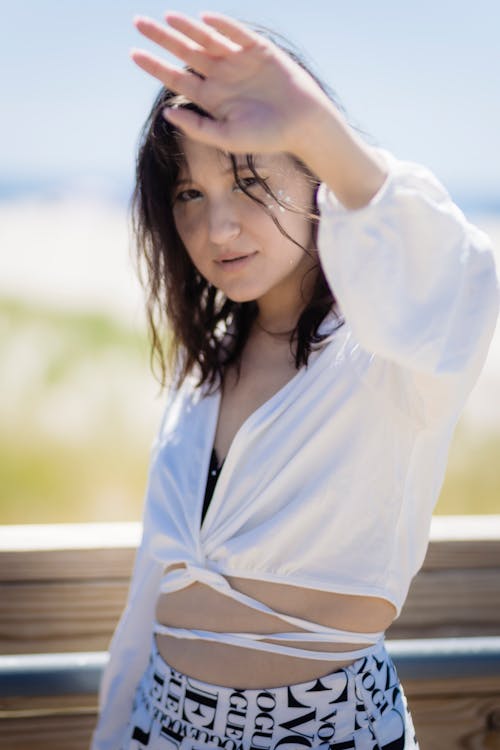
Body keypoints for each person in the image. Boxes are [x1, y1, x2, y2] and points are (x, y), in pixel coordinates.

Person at [91, 11, 499, 750]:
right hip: (160, 725)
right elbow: (149, 596)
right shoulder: (201, 368)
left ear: (314, 176)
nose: (218, 229)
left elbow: (459, 274)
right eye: (188, 195)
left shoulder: (386, 359)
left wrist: (316, 127)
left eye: (247, 180)